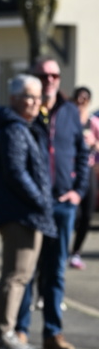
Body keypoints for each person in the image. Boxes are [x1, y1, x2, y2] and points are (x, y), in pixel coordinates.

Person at [15, 58, 89, 349]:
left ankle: (53, 332)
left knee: (55, 272)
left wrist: (77, 192)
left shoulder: (69, 111)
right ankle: (20, 330)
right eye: (43, 75)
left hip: (62, 204)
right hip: (32, 206)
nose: (49, 80)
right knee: (26, 271)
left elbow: (82, 154)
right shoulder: (26, 112)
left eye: (54, 75)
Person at [0, 76, 56, 349]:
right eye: (29, 96)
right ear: (14, 98)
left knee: (21, 276)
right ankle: (3, 334)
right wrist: (40, 200)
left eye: (38, 97)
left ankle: (6, 332)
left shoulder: (25, 127)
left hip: (28, 213)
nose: (36, 102)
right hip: (20, 213)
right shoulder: (14, 130)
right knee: (16, 276)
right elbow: (16, 172)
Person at [69, 86, 99, 269]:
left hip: (87, 170)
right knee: (73, 214)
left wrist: (94, 143)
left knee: (87, 214)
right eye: (78, 97)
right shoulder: (69, 120)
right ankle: (62, 248)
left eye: (85, 98)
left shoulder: (93, 122)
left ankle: (76, 252)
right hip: (70, 170)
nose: (81, 101)